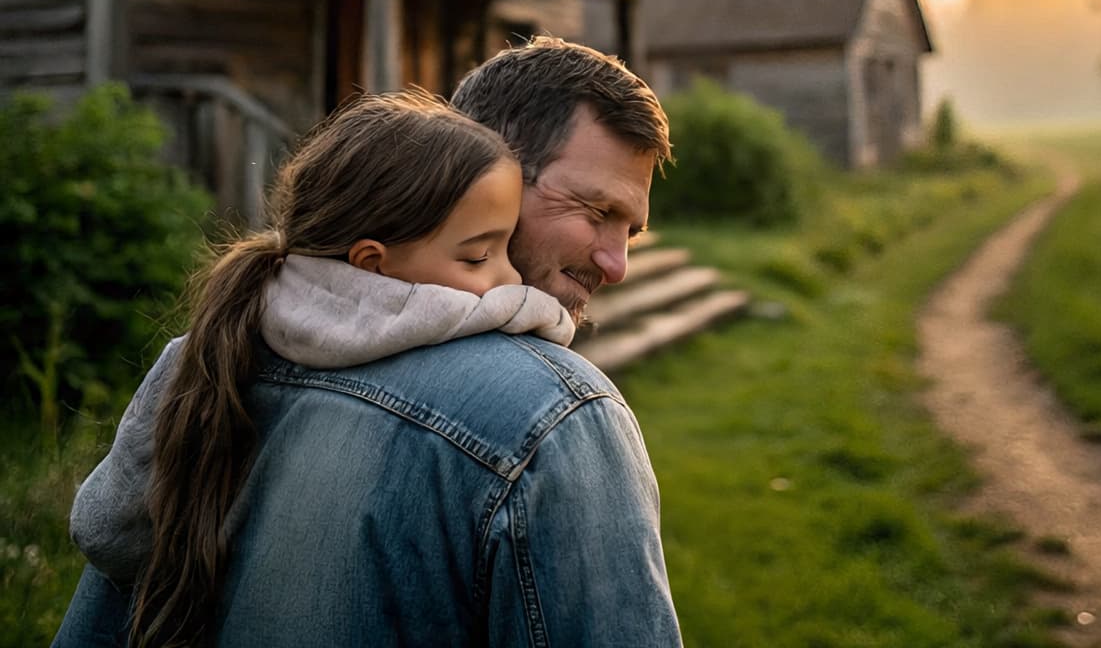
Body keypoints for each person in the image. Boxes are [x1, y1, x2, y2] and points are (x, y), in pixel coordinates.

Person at [55, 37, 681, 648]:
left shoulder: (214, 352)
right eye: (596, 211)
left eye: (631, 227)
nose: (618, 263)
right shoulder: (554, 416)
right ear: (490, 172)